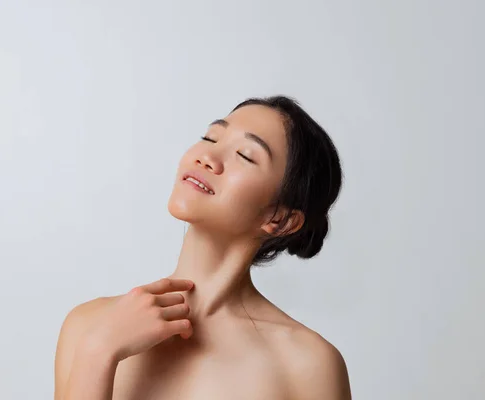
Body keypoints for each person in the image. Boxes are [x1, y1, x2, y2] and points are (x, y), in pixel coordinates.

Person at [54, 96, 351, 400]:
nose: (207, 156)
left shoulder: (307, 364)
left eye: (245, 156)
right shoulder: (89, 326)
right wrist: (99, 352)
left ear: (280, 219)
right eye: (210, 137)